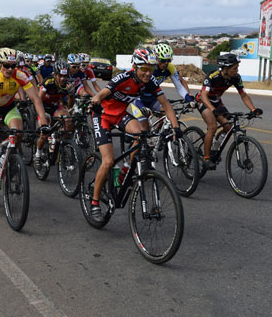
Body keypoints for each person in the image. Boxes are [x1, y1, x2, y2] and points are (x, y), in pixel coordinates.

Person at [87, 48, 182, 224]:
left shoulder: (150, 81)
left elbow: (165, 104)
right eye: (144, 69)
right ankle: (94, 203)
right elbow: (104, 92)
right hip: (103, 116)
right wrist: (96, 99)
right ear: (134, 66)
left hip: (120, 114)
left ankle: (125, 172)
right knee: (108, 161)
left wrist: (176, 128)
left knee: (142, 135)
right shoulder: (124, 77)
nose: (147, 73)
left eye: (150, 69)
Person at [0, 47, 49, 205]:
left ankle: (12, 158)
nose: (9, 69)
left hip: (8, 108)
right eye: (6, 65)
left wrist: (43, 122)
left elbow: (35, 99)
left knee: (18, 132)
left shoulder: (20, 75)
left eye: (12, 66)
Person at [196, 53, 262, 170]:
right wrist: (213, 110)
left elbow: (244, 95)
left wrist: (252, 109)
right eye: (235, 68)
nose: (237, 70)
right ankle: (206, 158)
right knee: (212, 126)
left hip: (217, 102)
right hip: (203, 101)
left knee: (228, 127)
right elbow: (204, 96)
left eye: (237, 68)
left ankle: (215, 145)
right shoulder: (213, 76)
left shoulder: (236, 78)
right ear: (225, 69)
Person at [34, 60, 75, 170]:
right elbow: (38, 99)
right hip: (43, 106)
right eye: (60, 76)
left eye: (65, 76)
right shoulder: (48, 81)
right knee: (45, 131)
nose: (63, 78)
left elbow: (70, 106)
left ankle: (63, 144)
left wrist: (71, 95)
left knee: (68, 120)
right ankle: (38, 154)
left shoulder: (68, 84)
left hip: (56, 106)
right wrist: (42, 116)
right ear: (55, 74)